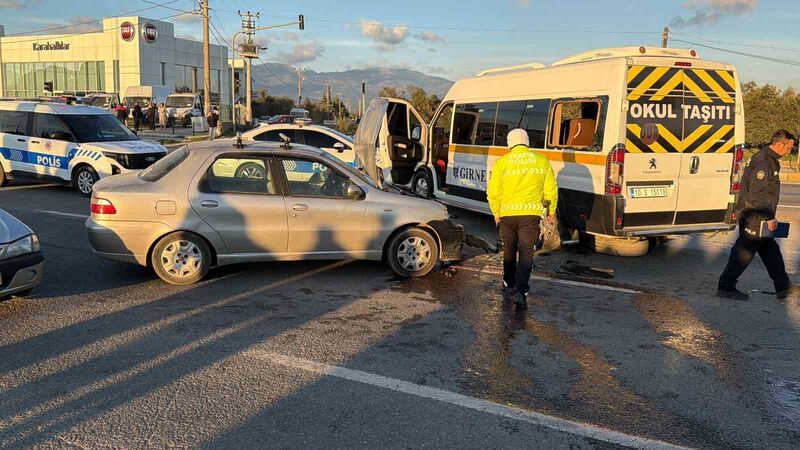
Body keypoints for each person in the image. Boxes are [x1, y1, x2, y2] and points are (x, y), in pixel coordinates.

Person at [718, 130, 796, 301]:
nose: (790, 151)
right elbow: (756, 195)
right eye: (789, 148)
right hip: (754, 215)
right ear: (779, 144)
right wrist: (769, 217)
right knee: (744, 251)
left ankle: (783, 286)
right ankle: (726, 286)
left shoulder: (770, 159)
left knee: (770, 250)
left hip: (759, 214)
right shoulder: (763, 162)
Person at [487, 128, 558, 309]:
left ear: (509, 144)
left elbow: (494, 192)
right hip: (530, 216)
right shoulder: (541, 160)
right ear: (527, 142)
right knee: (527, 252)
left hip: (507, 216)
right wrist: (551, 212)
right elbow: (551, 190)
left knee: (509, 251)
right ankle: (521, 292)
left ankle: (508, 285)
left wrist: (496, 213)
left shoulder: (502, 162)